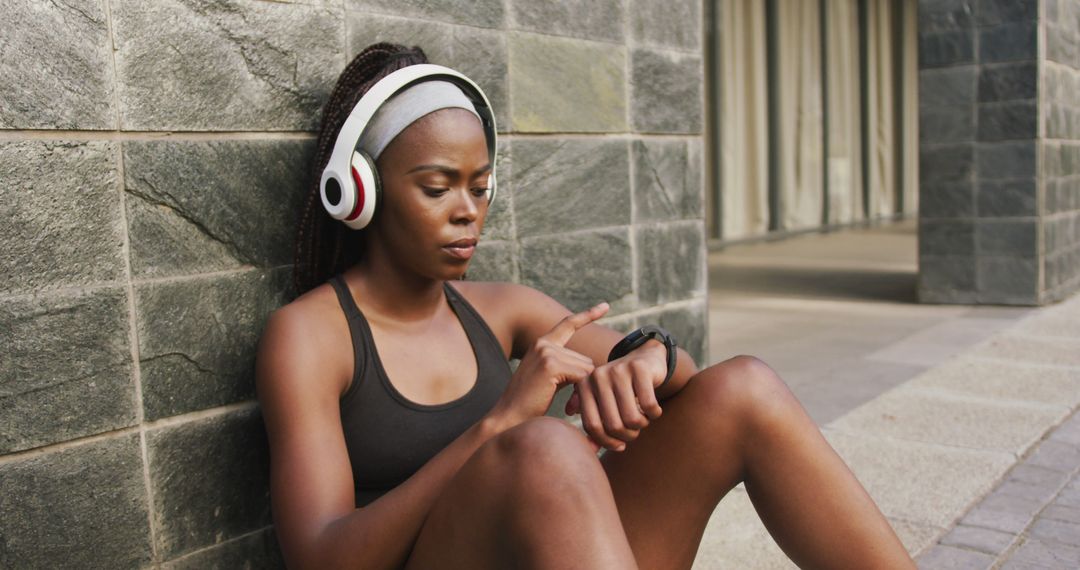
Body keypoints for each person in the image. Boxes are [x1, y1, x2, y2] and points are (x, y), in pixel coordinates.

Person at [255, 42, 915, 569]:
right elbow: (322, 556)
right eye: (437, 187)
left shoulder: (502, 309)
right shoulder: (310, 337)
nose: (468, 211)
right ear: (358, 192)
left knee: (744, 389)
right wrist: (498, 426)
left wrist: (647, 361)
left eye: (481, 187)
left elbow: (683, 379)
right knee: (545, 447)